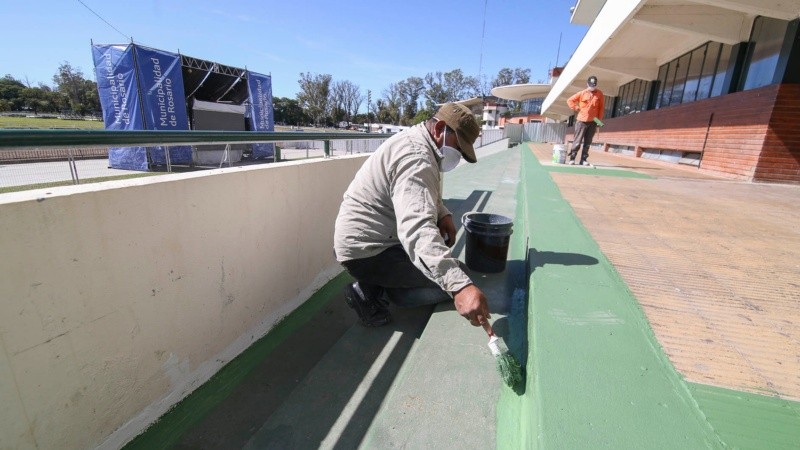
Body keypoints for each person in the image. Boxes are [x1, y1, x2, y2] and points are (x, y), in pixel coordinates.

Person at [333, 103, 491, 328]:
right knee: (459, 275)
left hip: (375, 239)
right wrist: (460, 287)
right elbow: (416, 228)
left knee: (443, 268)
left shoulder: (420, 143)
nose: (458, 156)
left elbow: (424, 191)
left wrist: (443, 213)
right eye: (459, 146)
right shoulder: (416, 157)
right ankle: (375, 292)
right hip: (367, 252)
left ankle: (381, 284)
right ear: (439, 129)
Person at [566, 75, 604, 165]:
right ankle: (572, 158)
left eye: (594, 85)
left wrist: (599, 122)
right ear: (587, 84)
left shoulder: (600, 94)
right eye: (591, 85)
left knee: (588, 142)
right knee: (577, 141)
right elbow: (569, 100)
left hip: (593, 121)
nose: (592, 87)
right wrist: (576, 107)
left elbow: (601, 108)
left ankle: (583, 160)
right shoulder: (582, 93)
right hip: (581, 121)